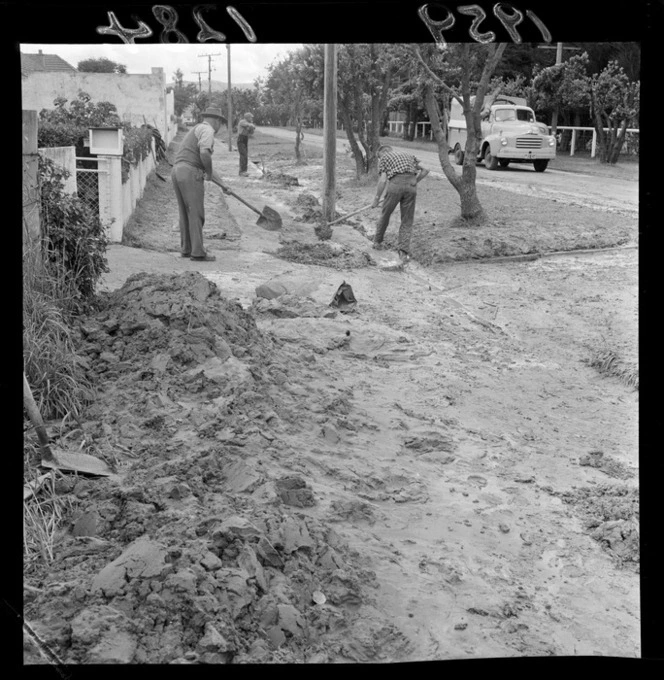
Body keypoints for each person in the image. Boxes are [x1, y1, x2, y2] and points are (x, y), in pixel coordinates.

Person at [171, 107, 229, 262]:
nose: (220, 127)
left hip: (177, 171)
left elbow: (204, 163)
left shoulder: (196, 128)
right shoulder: (208, 130)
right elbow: (204, 154)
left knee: (185, 213)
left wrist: (224, 185)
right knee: (196, 213)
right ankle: (198, 252)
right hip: (190, 172)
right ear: (217, 121)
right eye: (221, 123)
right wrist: (209, 174)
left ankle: (186, 249)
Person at [371, 145, 429, 263]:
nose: (380, 159)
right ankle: (403, 253)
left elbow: (383, 180)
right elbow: (425, 170)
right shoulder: (408, 155)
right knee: (407, 220)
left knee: (385, 214)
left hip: (395, 186)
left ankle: (377, 242)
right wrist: (412, 182)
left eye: (379, 157)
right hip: (411, 186)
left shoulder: (385, 157)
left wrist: (377, 198)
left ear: (383, 152)